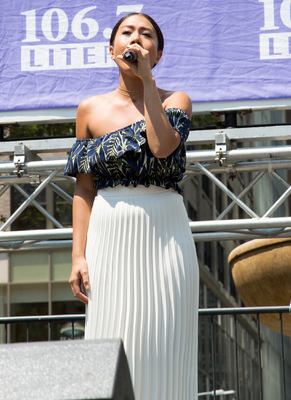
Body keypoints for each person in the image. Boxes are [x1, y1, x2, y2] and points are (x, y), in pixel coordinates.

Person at [64, 12, 199, 399]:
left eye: (147, 35)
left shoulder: (177, 100)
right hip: (110, 233)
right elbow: (84, 188)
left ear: (156, 54)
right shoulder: (89, 110)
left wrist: (148, 84)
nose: (136, 39)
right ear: (112, 50)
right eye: (127, 33)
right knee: (114, 339)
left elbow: (161, 147)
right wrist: (78, 256)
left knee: (165, 344)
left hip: (165, 230)